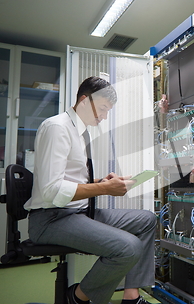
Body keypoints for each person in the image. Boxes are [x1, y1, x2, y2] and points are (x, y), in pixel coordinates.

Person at [24, 76, 156, 304]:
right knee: (129, 247)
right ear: (84, 100)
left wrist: (100, 181)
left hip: (76, 212)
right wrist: (103, 188)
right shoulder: (57, 127)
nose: (104, 117)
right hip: (51, 219)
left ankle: (131, 296)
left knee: (147, 220)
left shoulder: (78, 131)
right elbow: (50, 191)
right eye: (103, 109)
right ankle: (78, 297)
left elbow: (68, 178)